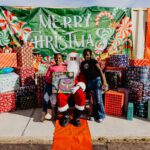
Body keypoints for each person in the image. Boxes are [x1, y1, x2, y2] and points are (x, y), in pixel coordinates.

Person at [57, 51, 86, 127]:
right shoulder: (64, 67)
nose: (73, 60)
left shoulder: (80, 70)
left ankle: (76, 117)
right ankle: (66, 116)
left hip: (76, 86)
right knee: (60, 96)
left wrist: (78, 86)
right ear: (68, 59)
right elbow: (59, 77)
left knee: (81, 96)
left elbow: (82, 80)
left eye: (74, 58)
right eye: (71, 58)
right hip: (65, 85)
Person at [81, 49, 108, 122]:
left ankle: (101, 115)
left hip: (96, 80)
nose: (87, 56)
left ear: (90, 55)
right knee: (94, 100)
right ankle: (94, 114)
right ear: (83, 55)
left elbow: (100, 70)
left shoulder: (93, 61)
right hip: (89, 82)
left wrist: (104, 82)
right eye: (85, 54)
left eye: (88, 54)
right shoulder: (82, 63)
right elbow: (83, 74)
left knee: (99, 99)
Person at [41, 53, 67, 122]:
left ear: (62, 59)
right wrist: (51, 78)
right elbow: (46, 77)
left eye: (59, 58)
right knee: (45, 97)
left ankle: (56, 114)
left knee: (58, 97)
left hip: (61, 86)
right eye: (56, 58)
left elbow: (68, 77)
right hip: (51, 84)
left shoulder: (65, 67)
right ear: (54, 59)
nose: (57, 59)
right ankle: (44, 113)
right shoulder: (51, 67)